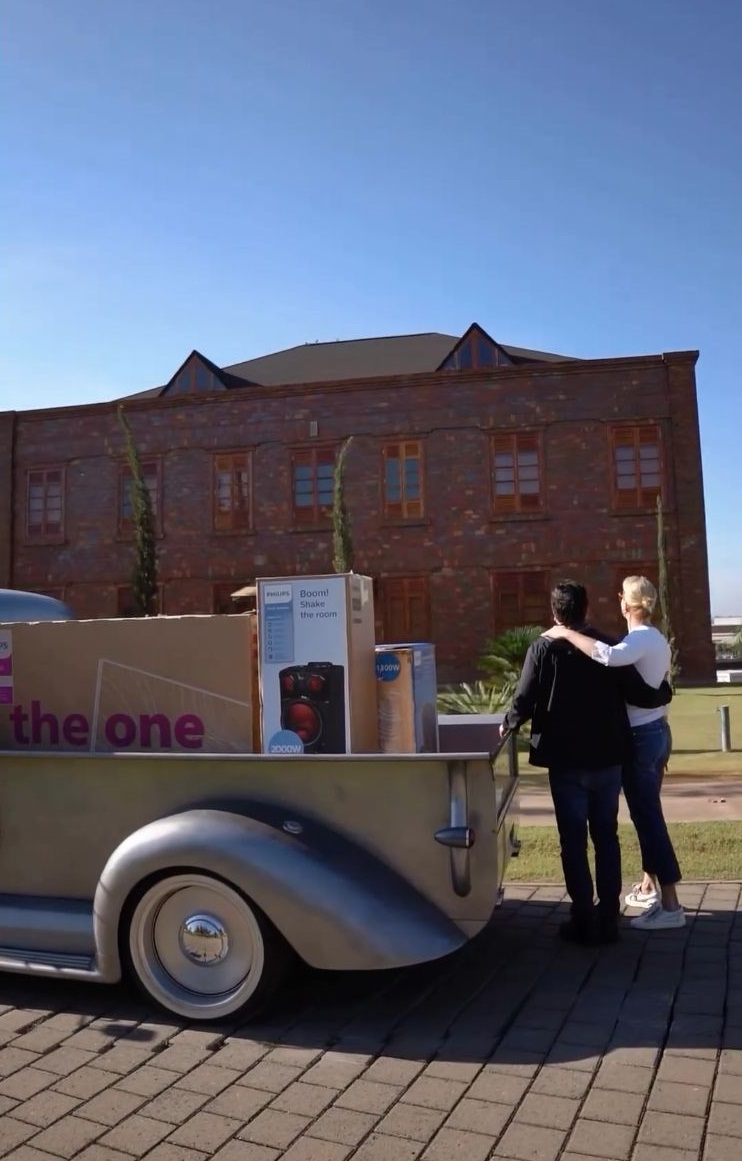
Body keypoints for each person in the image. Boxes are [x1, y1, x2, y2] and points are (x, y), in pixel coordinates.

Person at [500, 580, 672, 945]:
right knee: (606, 836)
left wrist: (507, 724)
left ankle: (582, 916)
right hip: (608, 756)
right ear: (587, 609)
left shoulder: (543, 648)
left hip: (565, 760)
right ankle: (608, 917)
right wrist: (665, 691)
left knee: (572, 840)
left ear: (553, 612)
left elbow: (524, 697)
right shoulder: (608, 645)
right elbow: (639, 691)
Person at [543, 575, 683, 931]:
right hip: (656, 733)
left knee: (648, 818)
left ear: (627, 603)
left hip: (641, 737)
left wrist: (565, 632)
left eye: (621, 596)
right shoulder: (653, 639)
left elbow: (606, 656)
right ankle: (653, 889)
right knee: (644, 815)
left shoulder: (636, 640)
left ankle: (670, 904)